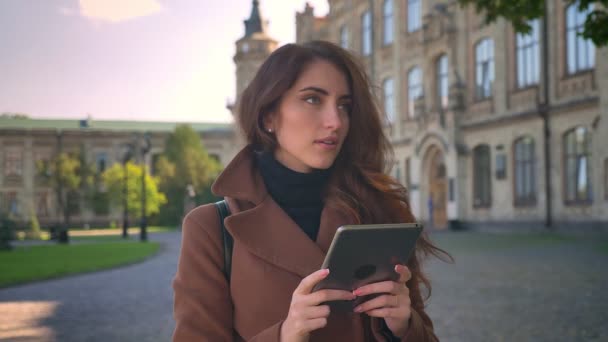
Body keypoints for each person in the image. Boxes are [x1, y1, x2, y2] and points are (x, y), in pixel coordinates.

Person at [172, 40, 449, 341]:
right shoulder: (211, 228)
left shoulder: (378, 210)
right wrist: (284, 335)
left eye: (344, 106)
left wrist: (404, 326)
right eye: (313, 100)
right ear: (268, 116)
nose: (335, 122)